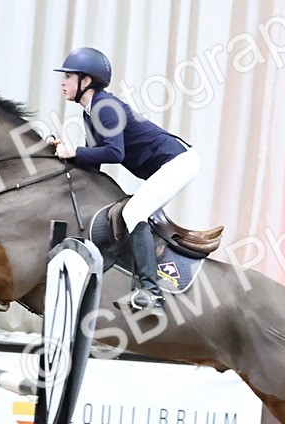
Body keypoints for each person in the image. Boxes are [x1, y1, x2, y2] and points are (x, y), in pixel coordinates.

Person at [51, 47, 199, 311]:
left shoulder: (105, 107)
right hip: (170, 163)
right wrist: (64, 155)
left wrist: (74, 151)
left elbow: (115, 153)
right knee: (134, 212)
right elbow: (94, 162)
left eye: (69, 76)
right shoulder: (90, 111)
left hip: (178, 162)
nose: (63, 82)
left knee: (134, 212)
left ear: (86, 81)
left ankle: (151, 292)